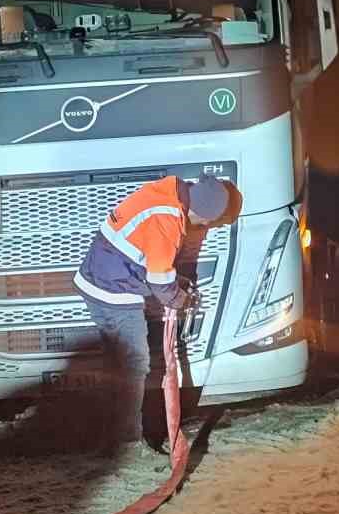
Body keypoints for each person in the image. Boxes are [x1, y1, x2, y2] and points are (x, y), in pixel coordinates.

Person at [74, 174, 233, 459]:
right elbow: (159, 280)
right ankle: (127, 445)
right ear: (203, 213)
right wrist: (182, 300)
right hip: (114, 290)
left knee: (118, 366)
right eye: (208, 222)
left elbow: (148, 260)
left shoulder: (167, 194)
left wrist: (176, 282)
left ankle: (109, 438)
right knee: (135, 365)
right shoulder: (169, 217)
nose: (205, 228)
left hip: (98, 280)